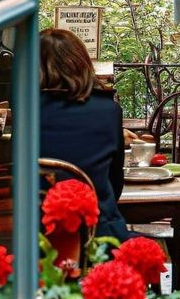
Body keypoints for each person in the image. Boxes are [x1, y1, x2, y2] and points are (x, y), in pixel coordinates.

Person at [39, 28, 135, 241]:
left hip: (36, 236)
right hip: (96, 235)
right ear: (81, 63)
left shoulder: (26, 110)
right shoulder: (108, 110)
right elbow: (115, 184)